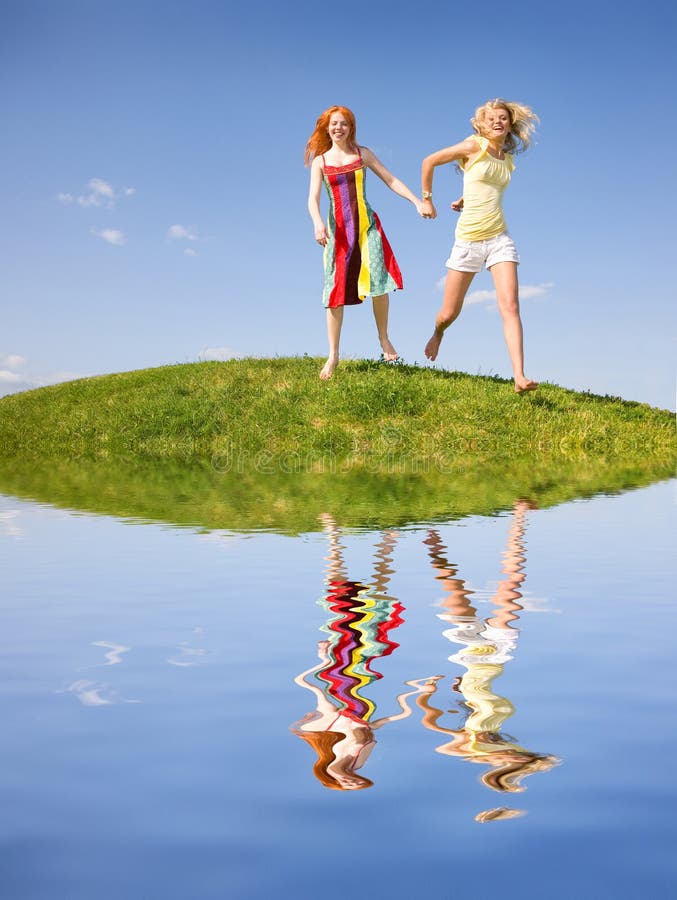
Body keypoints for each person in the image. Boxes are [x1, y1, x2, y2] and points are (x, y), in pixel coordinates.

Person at [420, 99, 540, 393]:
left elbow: (486, 185)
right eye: (491, 119)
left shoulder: (508, 159)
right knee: (448, 313)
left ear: (510, 125)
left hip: (499, 238)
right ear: (482, 125)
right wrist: (426, 198)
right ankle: (438, 332)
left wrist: (464, 199)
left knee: (510, 306)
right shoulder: (474, 146)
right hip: (468, 242)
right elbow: (429, 160)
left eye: (503, 118)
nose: (497, 122)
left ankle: (519, 377)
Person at [305, 105, 422, 379]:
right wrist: (317, 223)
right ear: (326, 127)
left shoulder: (362, 155)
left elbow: (391, 180)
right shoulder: (320, 162)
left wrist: (417, 201)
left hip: (367, 227)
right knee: (335, 292)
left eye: (344, 124)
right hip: (338, 234)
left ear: (351, 128)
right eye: (334, 124)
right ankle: (333, 356)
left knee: (378, 279)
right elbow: (312, 198)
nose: (338, 128)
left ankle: (384, 340)